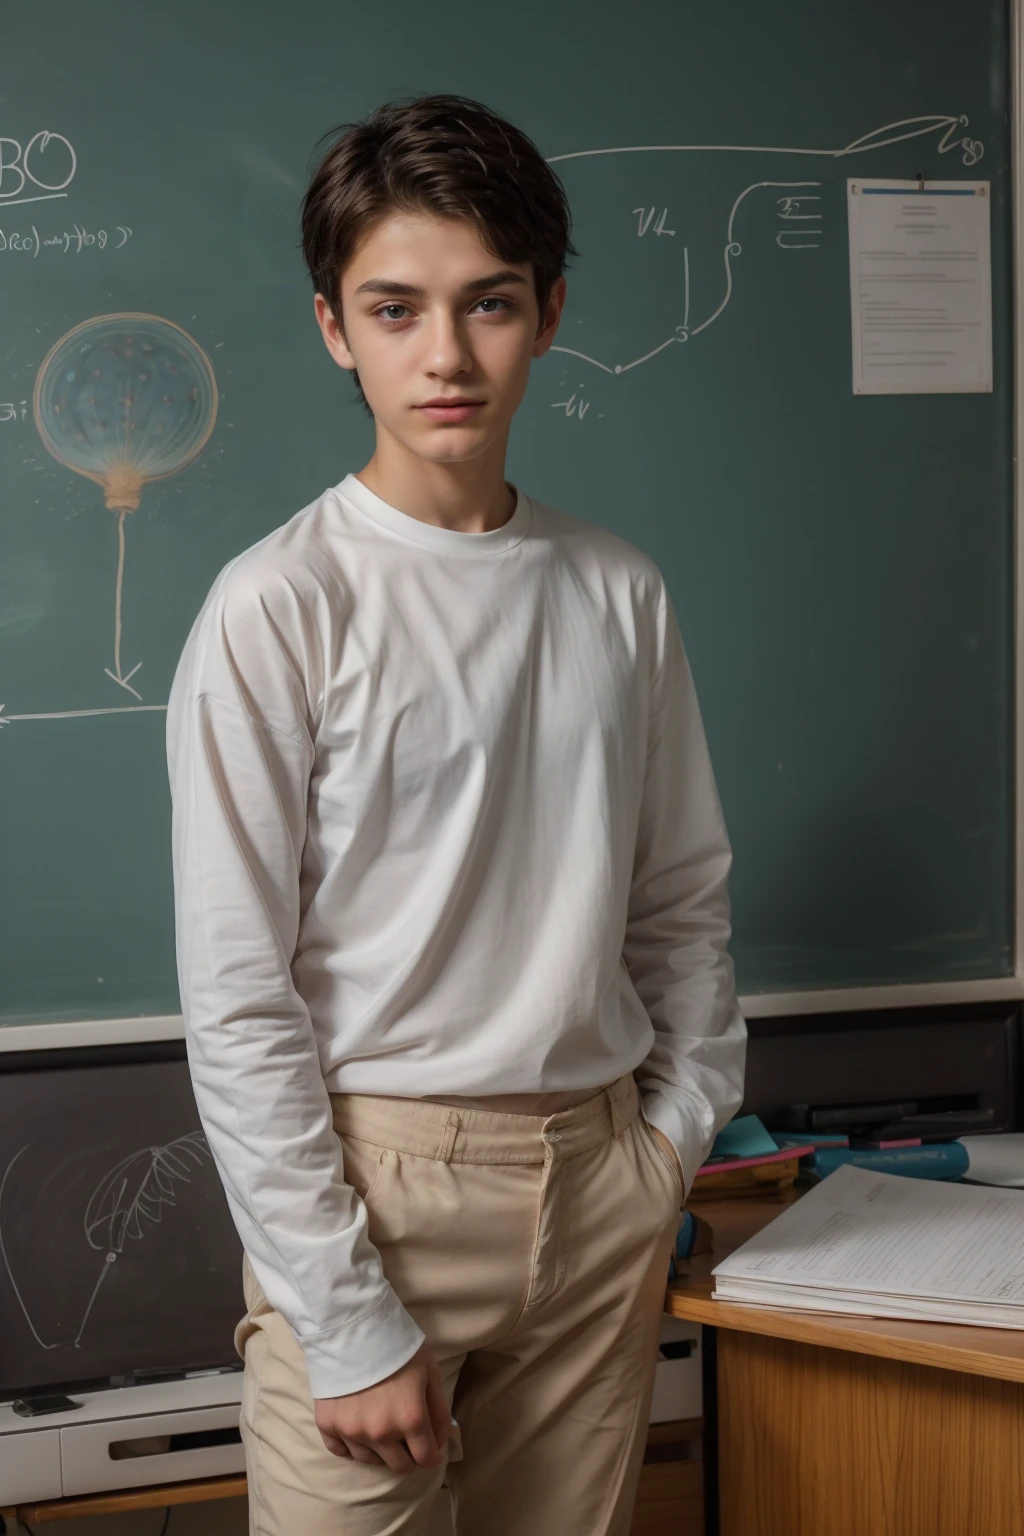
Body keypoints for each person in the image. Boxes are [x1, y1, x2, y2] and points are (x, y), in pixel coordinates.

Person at [166, 92, 746, 1536]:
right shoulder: (278, 606)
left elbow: (681, 901)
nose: (444, 355)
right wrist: (346, 1313)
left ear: (549, 314)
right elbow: (238, 996)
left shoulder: (619, 591)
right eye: (395, 308)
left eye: (487, 304)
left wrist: (670, 1138)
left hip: (599, 1174)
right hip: (374, 1190)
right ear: (332, 329)